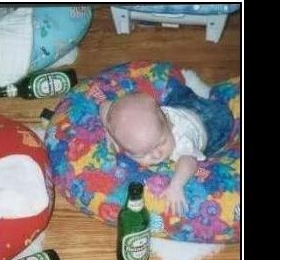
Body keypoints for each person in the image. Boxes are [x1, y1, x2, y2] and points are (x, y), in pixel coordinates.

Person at [100, 85, 233, 216]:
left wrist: (176, 186)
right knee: (182, 96)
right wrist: (110, 131)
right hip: (180, 106)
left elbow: (189, 161)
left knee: (224, 118)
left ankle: (216, 94)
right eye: (143, 154)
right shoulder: (141, 131)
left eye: (161, 143)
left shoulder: (181, 141)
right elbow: (105, 106)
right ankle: (197, 95)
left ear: (168, 124)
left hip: (210, 123)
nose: (157, 155)